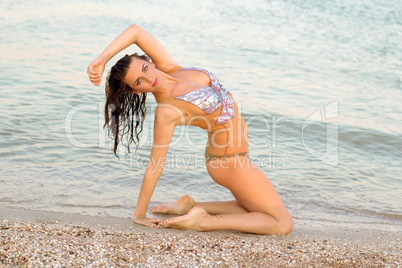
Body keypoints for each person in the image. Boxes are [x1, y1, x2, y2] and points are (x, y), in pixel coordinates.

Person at [87, 24, 293, 235]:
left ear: (148, 61)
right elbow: (155, 165)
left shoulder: (172, 68)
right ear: (136, 91)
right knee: (283, 224)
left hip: (237, 157)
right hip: (229, 163)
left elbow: (136, 32)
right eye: (139, 81)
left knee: (248, 208)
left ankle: (189, 206)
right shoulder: (167, 110)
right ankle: (203, 221)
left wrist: (102, 59)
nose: (149, 78)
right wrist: (139, 214)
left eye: (145, 69)